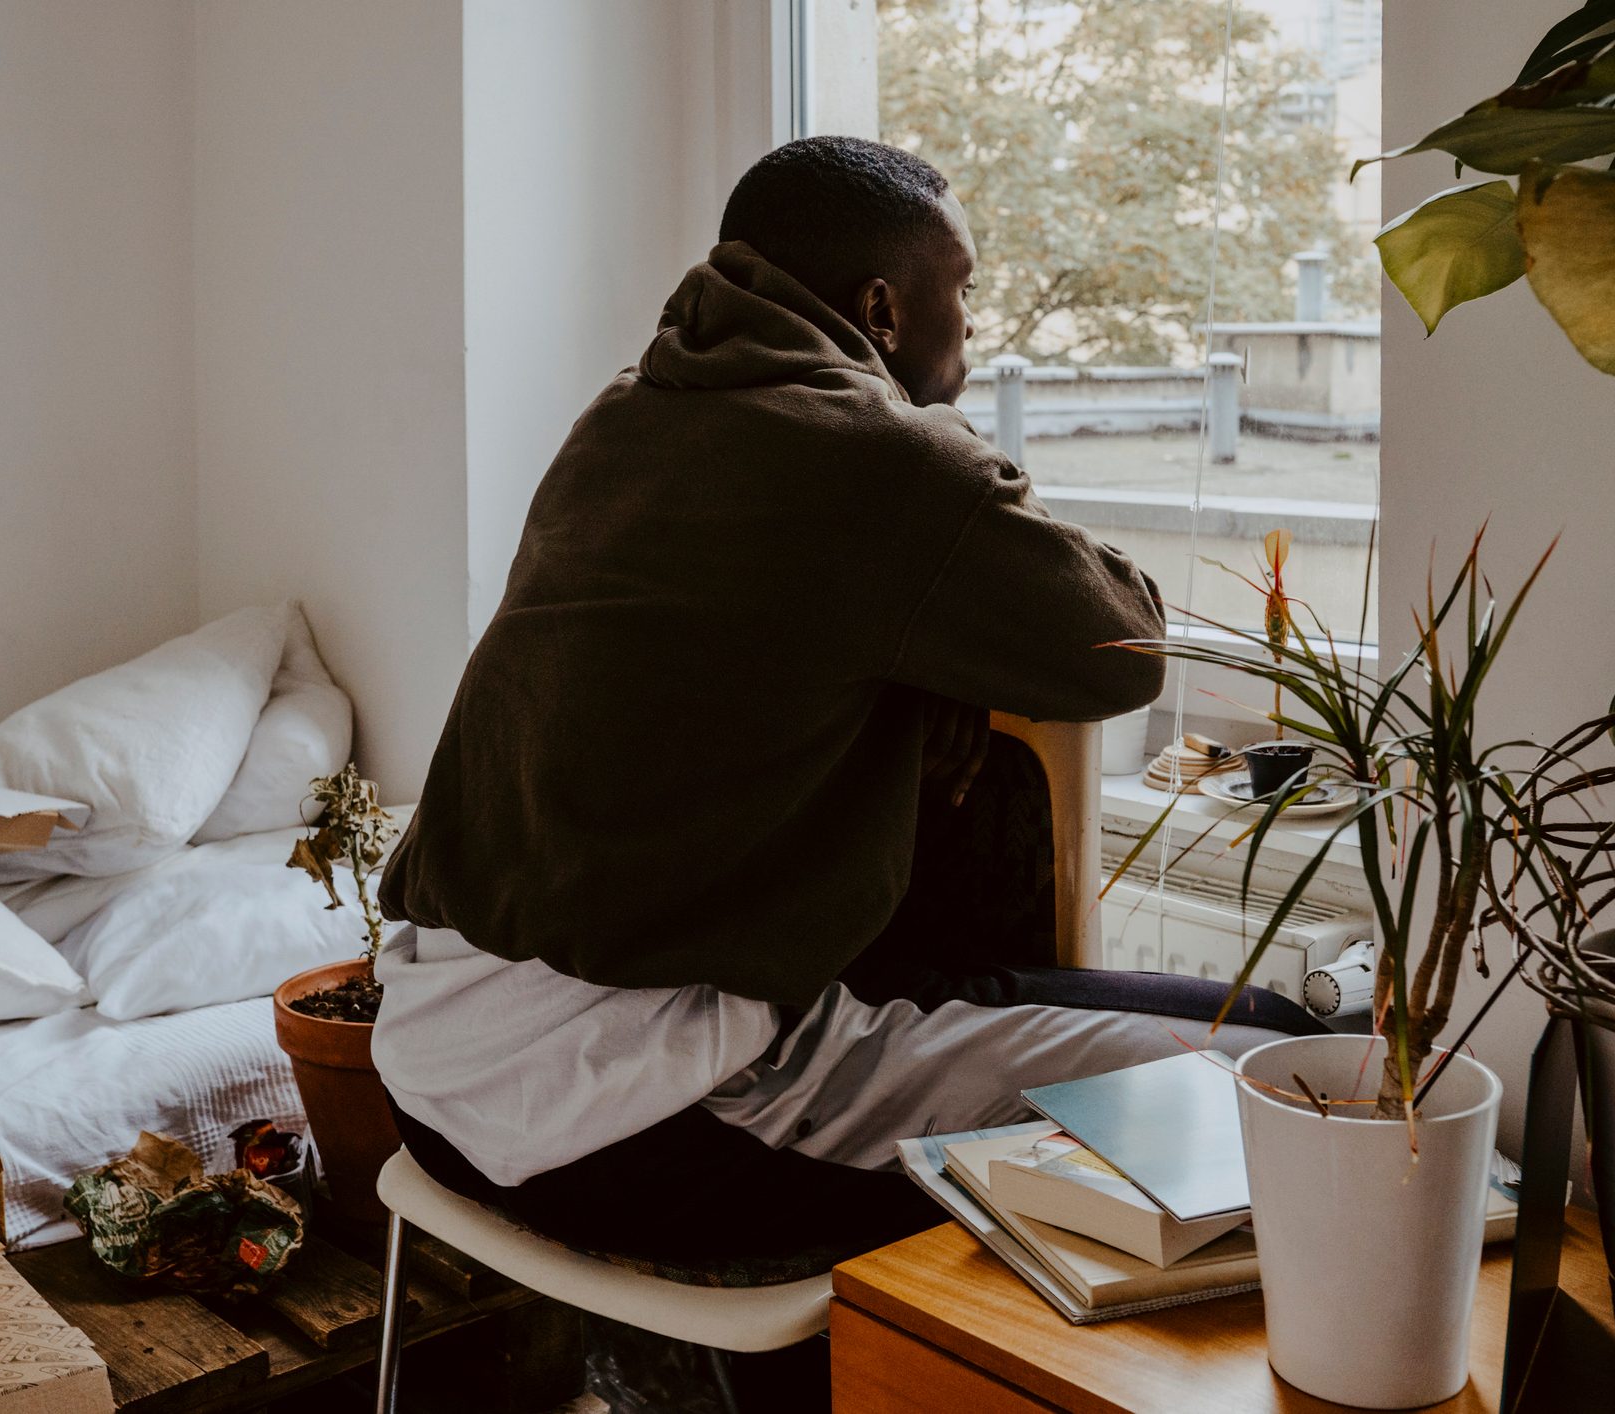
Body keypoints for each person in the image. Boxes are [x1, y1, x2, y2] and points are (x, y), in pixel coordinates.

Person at [374, 136, 1322, 1268]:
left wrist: (923, 647)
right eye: (960, 291)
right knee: (1287, 1066)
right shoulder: (872, 458)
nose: (970, 327)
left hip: (434, 1068)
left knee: (1063, 1009)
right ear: (881, 307)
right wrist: (938, 452)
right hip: (630, 1118)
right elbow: (1128, 640)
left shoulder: (625, 420)